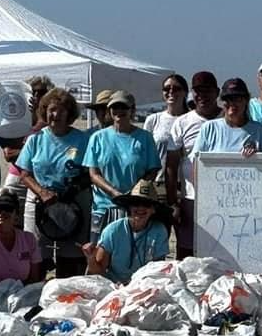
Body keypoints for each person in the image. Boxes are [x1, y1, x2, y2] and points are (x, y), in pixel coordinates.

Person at [13, 87, 93, 277]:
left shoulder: (82, 139)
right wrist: (42, 192)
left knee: (71, 253)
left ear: (69, 114)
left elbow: (91, 172)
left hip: (74, 200)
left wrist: (70, 191)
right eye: (51, 110)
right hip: (40, 199)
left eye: (61, 110)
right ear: (44, 112)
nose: (55, 114)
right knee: (37, 252)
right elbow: (24, 173)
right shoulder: (35, 139)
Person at [82, 89, 162, 232]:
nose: (119, 111)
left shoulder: (145, 138)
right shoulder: (97, 137)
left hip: (136, 209)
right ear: (110, 110)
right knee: (98, 253)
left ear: (132, 110)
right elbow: (93, 174)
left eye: (124, 107)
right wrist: (114, 193)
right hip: (103, 208)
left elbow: (153, 169)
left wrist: (134, 193)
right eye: (115, 107)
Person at [166, 71, 223, 255]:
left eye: (207, 91)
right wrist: (174, 202)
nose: (202, 96)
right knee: (186, 253)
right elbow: (171, 166)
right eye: (198, 91)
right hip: (191, 199)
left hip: (224, 201)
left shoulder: (229, 119)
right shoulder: (182, 123)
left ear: (217, 92)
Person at [88, 177, 170, 281]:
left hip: (146, 284)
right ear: (129, 207)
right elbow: (98, 272)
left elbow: (159, 270)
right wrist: (91, 258)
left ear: (153, 210)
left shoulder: (159, 231)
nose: (140, 208)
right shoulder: (112, 231)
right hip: (114, 285)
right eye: (136, 203)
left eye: (146, 204)